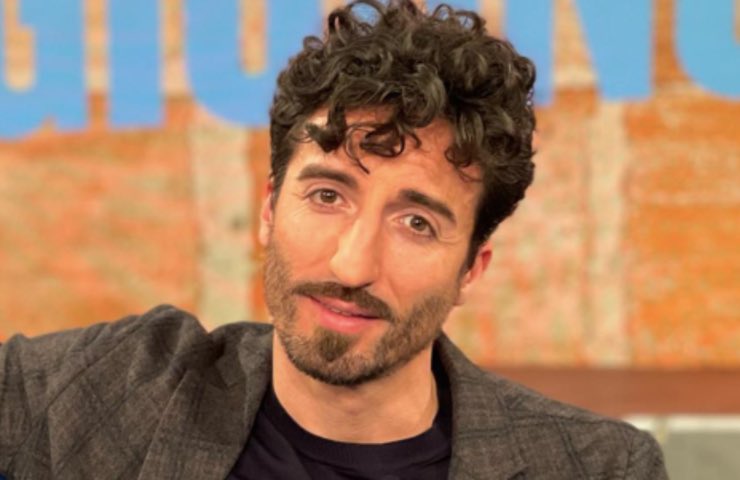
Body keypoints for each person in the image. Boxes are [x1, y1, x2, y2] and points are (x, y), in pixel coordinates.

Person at [0, 1, 667, 479]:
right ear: (269, 209)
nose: (351, 265)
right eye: (327, 196)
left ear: (472, 268)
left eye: (417, 223)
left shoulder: (597, 468)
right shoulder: (108, 390)